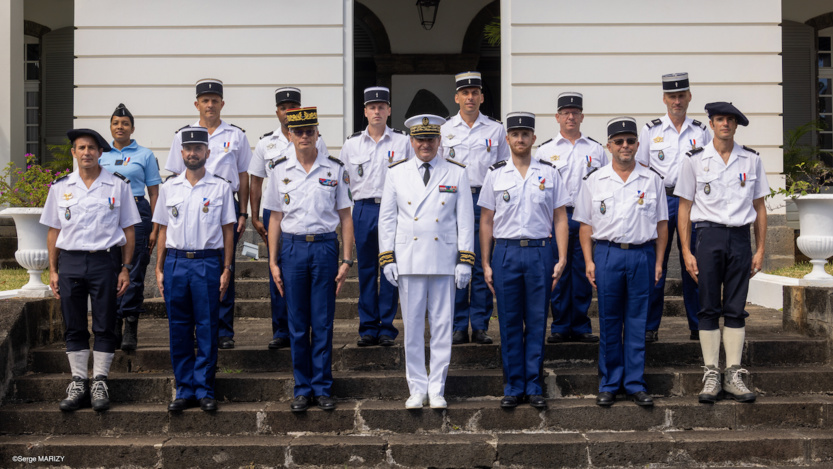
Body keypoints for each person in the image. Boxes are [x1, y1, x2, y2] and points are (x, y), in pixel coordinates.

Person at [41, 128, 141, 412]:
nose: (86, 152)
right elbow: (54, 230)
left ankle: (99, 381)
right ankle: (78, 381)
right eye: (81, 148)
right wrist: (53, 269)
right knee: (73, 323)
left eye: (91, 148)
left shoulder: (118, 185)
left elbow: (129, 230)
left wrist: (125, 268)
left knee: (104, 323)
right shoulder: (60, 187)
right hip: (70, 262)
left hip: (104, 262)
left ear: (100, 152)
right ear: (74, 152)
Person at [379, 114, 475, 410]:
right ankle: (417, 388)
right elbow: (387, 219)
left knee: (443, 327)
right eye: (420, 139)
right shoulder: (397, 172)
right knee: (412, 328)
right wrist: (387, 257)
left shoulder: (456, 172)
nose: (425, 145)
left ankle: (437, 388)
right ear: (411, 141)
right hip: (409, 259)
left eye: (431, 139)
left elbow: (465, 220)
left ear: (439, 141)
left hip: (443, 259)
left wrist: (465, 259)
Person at [675, 102, 768, 404]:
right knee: (708, 306)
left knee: (736, 307)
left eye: (730, 119)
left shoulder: (751, 160)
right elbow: (685, 207)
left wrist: (760, 249)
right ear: (711, 124)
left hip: (740, 238)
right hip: (708, 236)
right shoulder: (695, 160)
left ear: (736, 125)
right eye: (719, 119)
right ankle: (711, 373)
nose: (725, 124)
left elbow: (759, 207)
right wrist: (686, 251)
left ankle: (733, 374)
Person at [263, 107, 354, 412]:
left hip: (324, 248)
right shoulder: (279, 170)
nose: (304, 136)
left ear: (317, 134)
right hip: (292, 249)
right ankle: (302, 388)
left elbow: (345, 216)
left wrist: (346, 260)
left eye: (309, 131)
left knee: (323, 321)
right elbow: (275, 218)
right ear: (290, 135)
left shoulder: (334, 169)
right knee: (298, 323)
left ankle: (323, 387)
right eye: (298, 132)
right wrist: (273, 261)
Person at [574, 117, 668, 407]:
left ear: (637, 145)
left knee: (638, 321)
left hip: (641, 254)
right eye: (619, 141)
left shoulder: (652, 179)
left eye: (630, 141)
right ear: (609, 146)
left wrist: (659, 262)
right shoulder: (595, 180)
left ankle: (635, 383)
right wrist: (589, 261)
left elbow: (662, 224)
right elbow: (586, 225)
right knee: (609, 320)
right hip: (608, 253)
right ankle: (610, 382)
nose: (624, 146)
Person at [479, 112, 570, 409]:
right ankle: (513, 386)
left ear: (533, 138)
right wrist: (486, 262)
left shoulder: (549, 173)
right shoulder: (495, 174)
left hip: (540, 251)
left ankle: (534, 385)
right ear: (507, 139)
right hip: (505, 252)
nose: (520, 139)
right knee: (508, 321)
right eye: (515, 134)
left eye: (525, 134)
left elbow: (560, 217)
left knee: (536, 320)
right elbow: (486, 221)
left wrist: (562, 257)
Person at [154, 126, 236, 413]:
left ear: (207, 152)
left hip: (207, 262)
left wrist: (227, 267)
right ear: (181, 153)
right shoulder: (169, 188)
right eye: (188, 149)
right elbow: (163, 229)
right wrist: (159, 267)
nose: (193, 153)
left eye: (198, 149)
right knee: (178, 328)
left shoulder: (221, 187)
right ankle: (184, 389)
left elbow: (228, 231)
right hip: (176, 262)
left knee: (207, 326)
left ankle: (204, 389)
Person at [165, 78, 252, 350]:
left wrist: (243, 212)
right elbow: (175, 174)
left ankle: (223, 330)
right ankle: (194, 328)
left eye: (215, 100)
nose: (210, 105)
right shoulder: (183, 135)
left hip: (224, 204)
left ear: (222, 103)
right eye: (205, 100)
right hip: (189, 203)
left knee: (225, 266)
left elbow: (243, 175)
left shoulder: (236, 135)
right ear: (197, 104)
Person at [249, 87, 328, 350]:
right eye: (283, 108)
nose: (288, 111)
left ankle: (307, 327)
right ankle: (282, 329)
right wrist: (254, 214)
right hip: (276, 210)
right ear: (277, 112)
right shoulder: (266, 143)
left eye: (293, 107)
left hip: (306, 208)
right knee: (278, 270)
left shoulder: (315, 138)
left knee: (303, 273)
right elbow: (256, 180)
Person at [636, 73, 712, 343]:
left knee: (694, 262)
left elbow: (709, 166)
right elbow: (641, 168)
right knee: (655, 263)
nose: (677, 101)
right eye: (672, 96)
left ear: (689, 97)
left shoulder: (701, 131)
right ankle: (649, 326)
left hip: (692, 201)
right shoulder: (651, 130)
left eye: (681, 96)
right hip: (661, 200)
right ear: (664, 99)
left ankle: (697, 325)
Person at [441, 71, 509, 345]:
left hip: (485, 201)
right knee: (456, 262)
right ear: (456, 97)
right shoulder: (444, 129)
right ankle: (458, 325)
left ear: (481, 97)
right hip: (453, 200)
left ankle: (480, 324)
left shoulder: (496, 129)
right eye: (465, 93)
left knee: (483, 263)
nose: (470, 97)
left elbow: (504, 170)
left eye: (475, 93)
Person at [341, 86, 412, 347]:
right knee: (367, 269)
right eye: (372, 107)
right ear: (365, 112)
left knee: (391, 268)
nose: (377, 111)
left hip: (394, 210)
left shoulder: (403, 142)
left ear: (389, 110)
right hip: (363, 209)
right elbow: (344, 183)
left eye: (382, 107)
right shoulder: (351, 144)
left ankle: (387, 328)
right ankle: (368, 327)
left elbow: (412, 177)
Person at [535, 92, 606, 344]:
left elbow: (604, 184)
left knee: (584, 271)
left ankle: (581, 325)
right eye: (565, 113)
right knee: (559, 271)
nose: (571, 117)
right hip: (559, 216)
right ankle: (560, 325)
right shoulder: (545, 150)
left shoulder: (596, 149)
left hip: (587, 217)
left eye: (575, 113)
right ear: (557, 117)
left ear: (582, 116)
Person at [99, 103, 162, 351]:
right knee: (110, 268)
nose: (120, 127)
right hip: (107, 212)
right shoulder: (101, 154)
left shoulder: (145, 155)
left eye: (125, 123)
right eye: (116, 123)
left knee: (134, 269)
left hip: (137, 210)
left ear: (132, 128)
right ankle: (113, 323)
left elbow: (154, 193)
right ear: (110, 127)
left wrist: (155, 227)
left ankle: (130, 325)